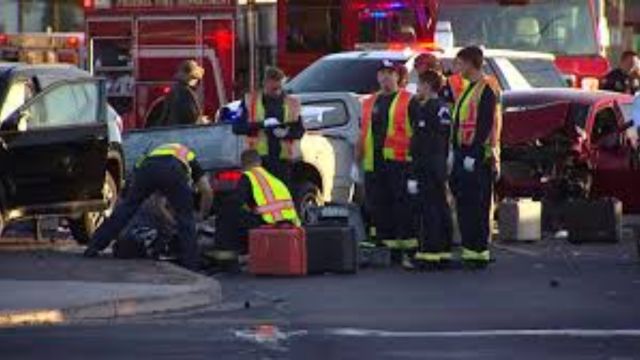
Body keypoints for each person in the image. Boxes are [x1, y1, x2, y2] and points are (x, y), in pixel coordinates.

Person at [83, 143, 213, 270]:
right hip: (173, 168)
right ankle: (191, 262)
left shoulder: (157, 153)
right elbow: (207, 191)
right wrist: (202, 214)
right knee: (185, 217)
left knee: (126, 208)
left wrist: (172, 222)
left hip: (145, 169)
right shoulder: (189, 156)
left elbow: (159, 204)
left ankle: (94, 246)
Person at [357, 59, 416, 261]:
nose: (385, 77)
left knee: (402, 204)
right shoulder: (368, 102)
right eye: (382, 73)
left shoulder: (409, 100)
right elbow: (362, 133)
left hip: (400, 162)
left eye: (389, 73)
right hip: (374, 162)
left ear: (397, 76)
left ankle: (406, 246)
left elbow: (417, 133)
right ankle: (387, 245)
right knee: (378, 204)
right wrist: (356, 163)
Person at [450, 46, 502, 269]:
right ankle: (470, 250)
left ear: (471, 63)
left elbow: (485, 123)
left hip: (478, 156)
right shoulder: (469, 88)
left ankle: (478, 252)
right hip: (465, 153)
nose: (456, 68)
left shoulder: (487, 88)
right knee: (466, 204)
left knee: (477, 205)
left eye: (459, 63)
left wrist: (473, 153)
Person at [212, 150, 300, 266]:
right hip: (291, 226)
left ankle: (226, 260)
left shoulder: (248, 176)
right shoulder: (275, 180)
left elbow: (235, 202)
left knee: (226, 215)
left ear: (243, 164)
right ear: (259, 162)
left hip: (267, 225)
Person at [406, 70, 453, 270]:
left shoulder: (428, 109)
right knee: (441, 206)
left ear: (427, 85)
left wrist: (414, 171)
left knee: (427, 210)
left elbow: (421, 142)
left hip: (426, 165)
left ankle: (428, 254)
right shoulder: (443, 108)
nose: (418, 88)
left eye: (420, 84)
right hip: (439, 164)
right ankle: (443, 251)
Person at [235, 66, 305, 187]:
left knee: (282, 196)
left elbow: (300, 130)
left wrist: (286, 134)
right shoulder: (250, 101)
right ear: (265, 84)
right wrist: (261, 125)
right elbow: (237, 127)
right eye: (273, 89)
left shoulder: (292, 103)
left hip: (283, 162)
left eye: (279, 88)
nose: (277, 92)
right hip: (258, 161)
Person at [148, 60, 206, 128]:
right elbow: (192, 118)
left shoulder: (174, 91)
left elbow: (165, 116)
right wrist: (202, 122)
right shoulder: (186, 93)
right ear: (191, 77)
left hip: (171, 132)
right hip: (182, 133)